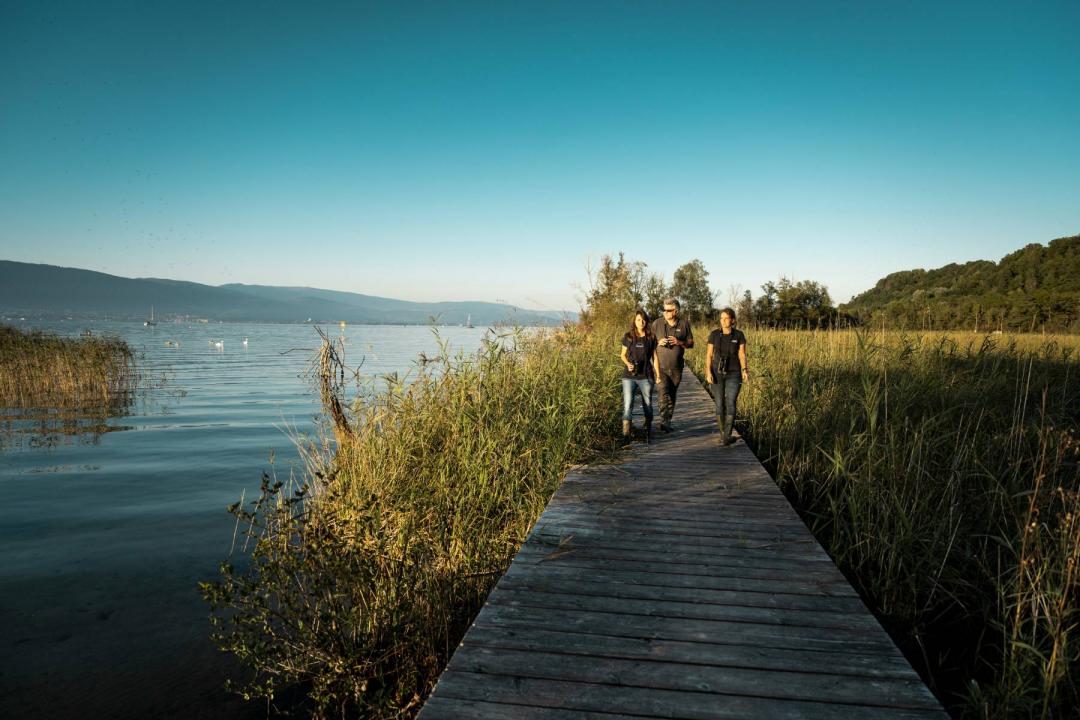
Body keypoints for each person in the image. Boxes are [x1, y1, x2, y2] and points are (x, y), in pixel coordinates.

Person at [705, 307, 749, 446]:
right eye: (721, 318)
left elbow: (742, 354)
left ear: (733, 320)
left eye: (726, 318)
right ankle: (723, 433)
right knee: (719, 403)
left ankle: (727, 435)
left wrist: (744, 370)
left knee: (730, 402)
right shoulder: (714, 335)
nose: (723, 321)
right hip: (716, 372)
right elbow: (709, 355)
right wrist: (708, 371)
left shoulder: (739, 335)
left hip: (734, 373)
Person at [649, 298, 694, 432]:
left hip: (676, 368)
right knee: (663, 392)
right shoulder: (657, 323)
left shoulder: (684, 324)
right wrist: (658, 342)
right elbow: (648, 342)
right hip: (660, 366)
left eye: (668, 310)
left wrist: (679, 342)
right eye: (664, 310)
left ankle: (668, 420)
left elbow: (691, 343)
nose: (665, 312)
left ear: (675, 311)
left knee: (672, 394)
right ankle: (664, 420)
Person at [620, 309, 658, 438]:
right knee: (627, 404)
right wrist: (628, 364)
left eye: (643, 320)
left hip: (646, 375)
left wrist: (658, 374)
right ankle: (626, 434)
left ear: (646, 321)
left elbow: (655, 357)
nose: (640, 322)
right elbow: (622, 355)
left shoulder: (651, 337)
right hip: (629, 376)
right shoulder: (628, 336)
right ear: (634, 321)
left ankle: (647, 428)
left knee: (647, 404)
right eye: (638, 320)